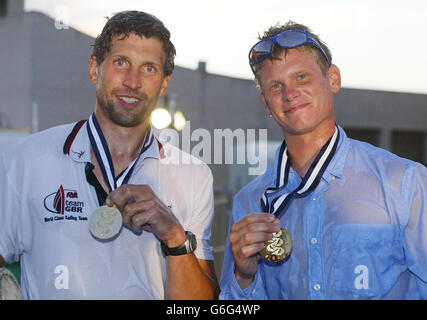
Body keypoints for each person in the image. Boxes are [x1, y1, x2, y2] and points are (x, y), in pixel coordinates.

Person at [0, 10, 219, 300]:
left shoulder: (194, 175)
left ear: (164, 83)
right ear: (94, 69)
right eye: (121, 62)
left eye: (149, 68)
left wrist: (174, 236)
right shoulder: (27, 160)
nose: (133, 81)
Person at [219, 21, 427, 299]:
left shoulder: (405, 182)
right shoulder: (250, 201)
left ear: (333, 80)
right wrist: (243, 276)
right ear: (266, 103)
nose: (289, 93)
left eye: (302, 77)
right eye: (276, 85)